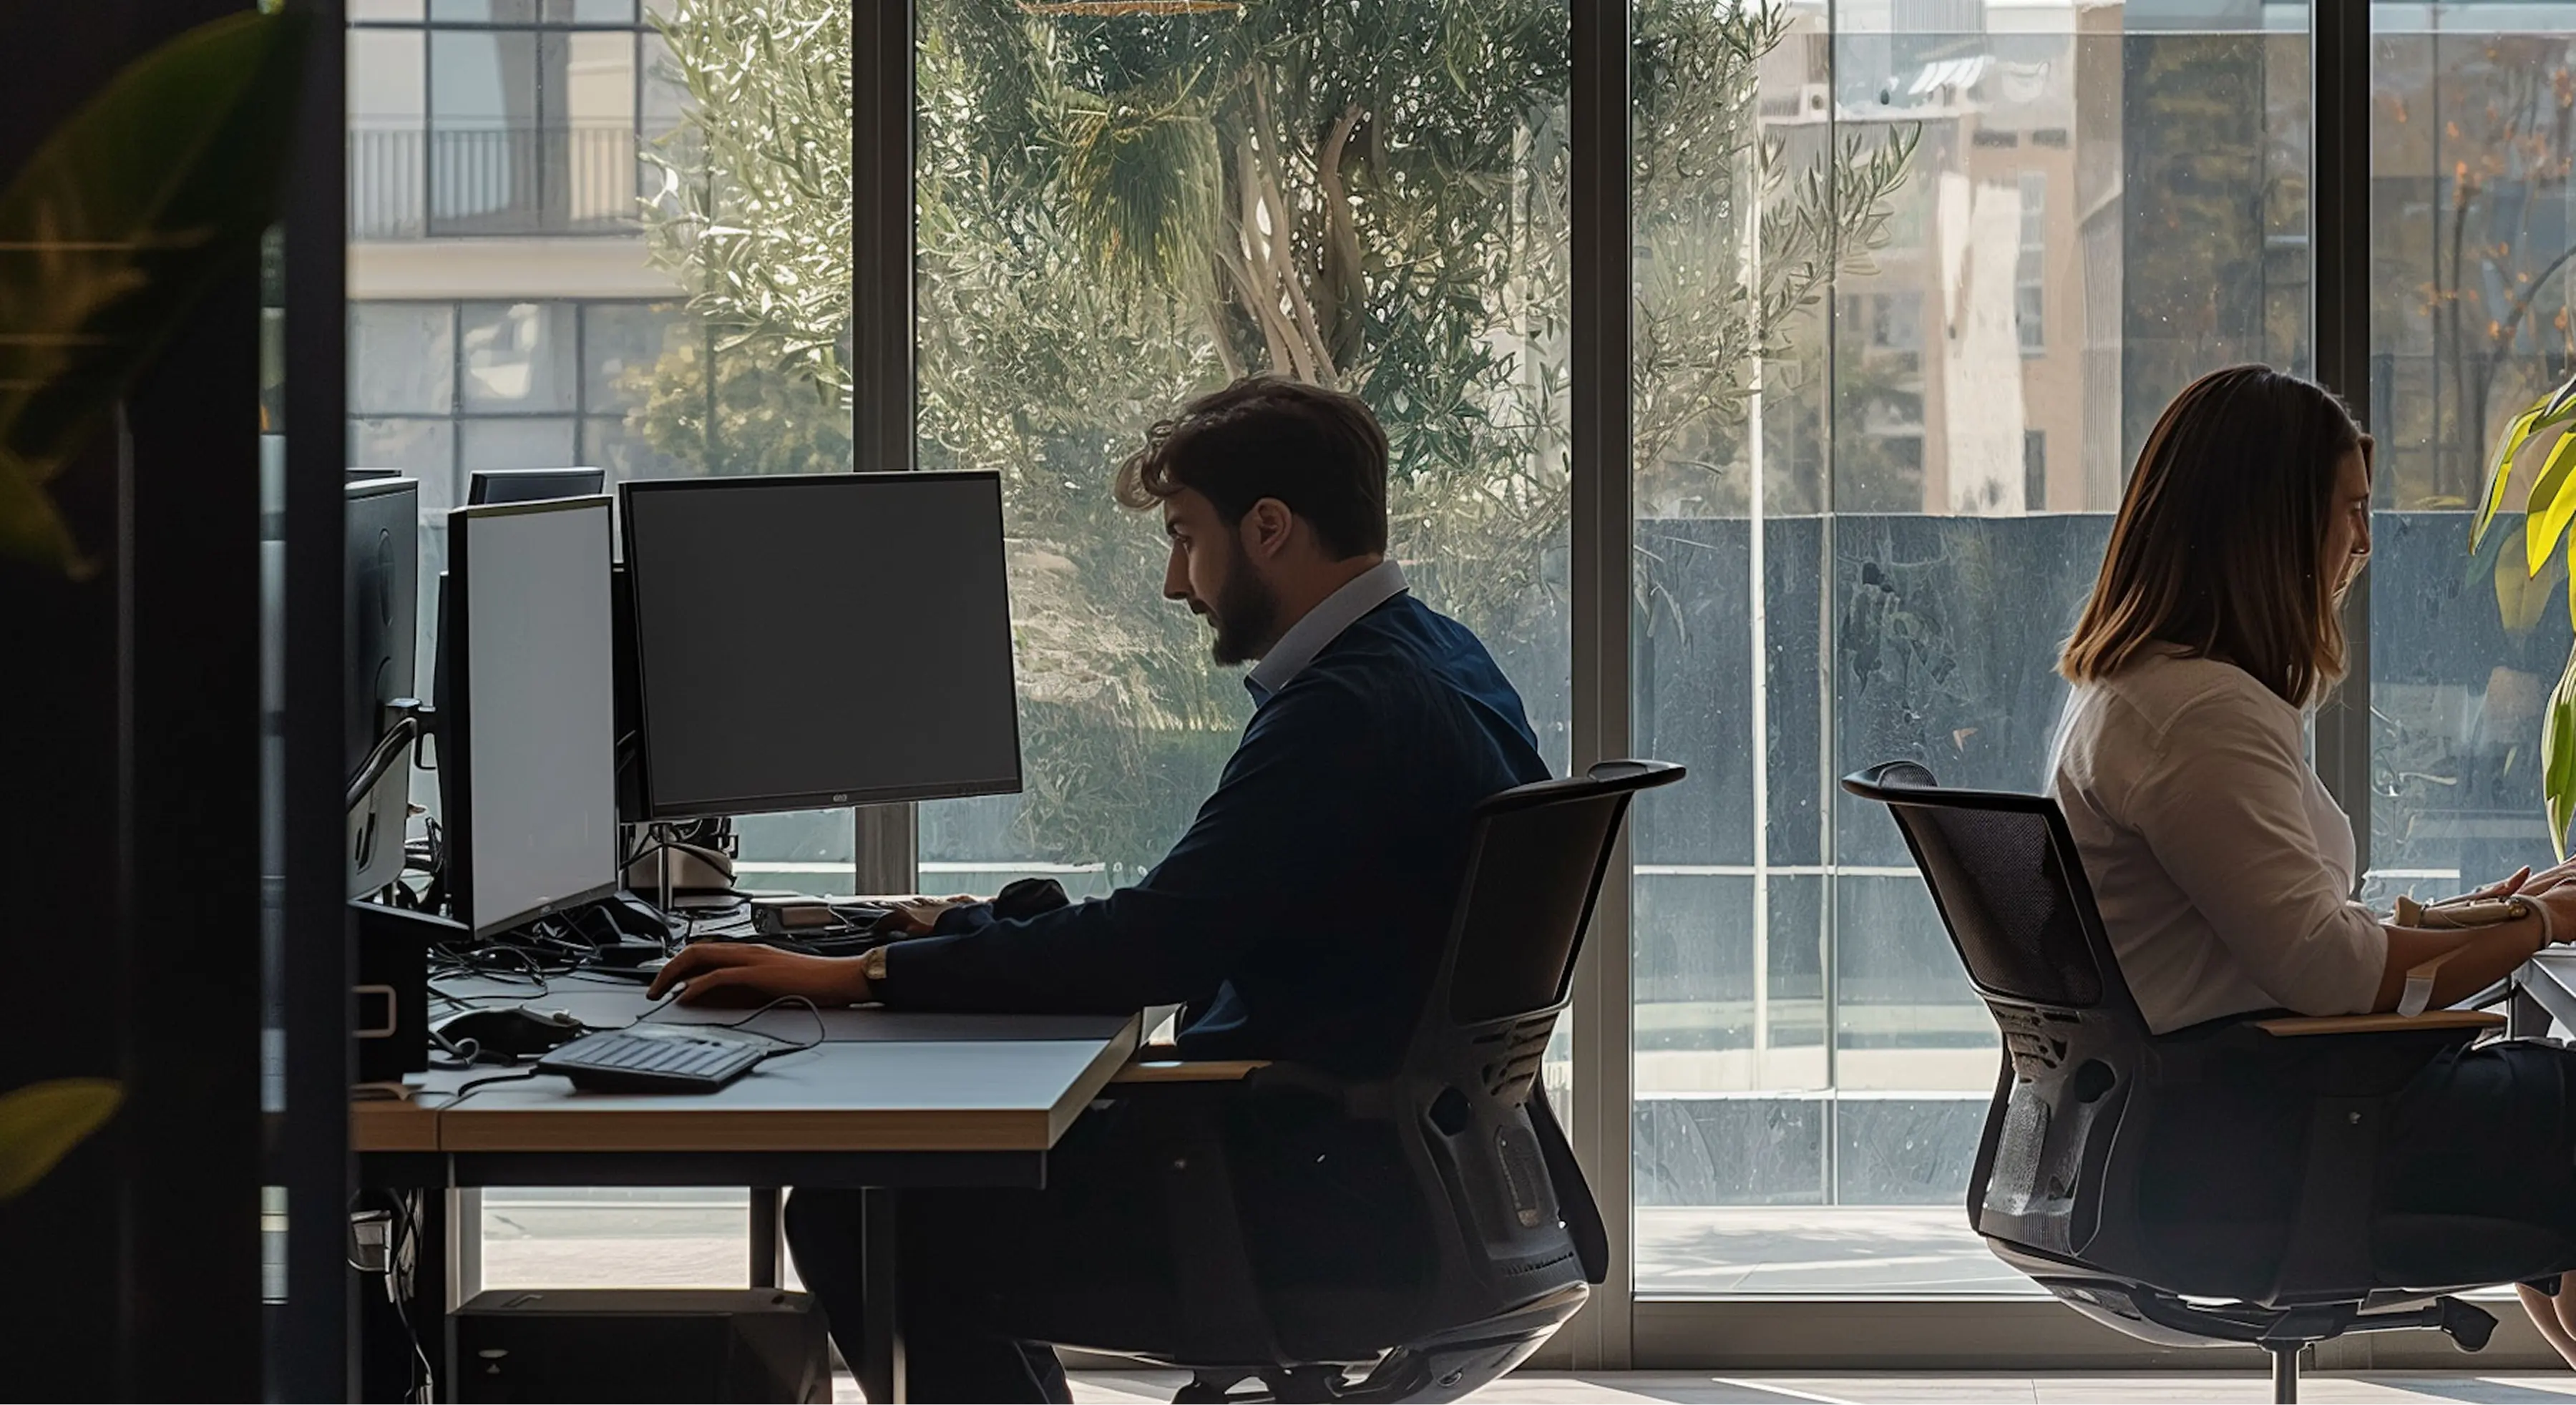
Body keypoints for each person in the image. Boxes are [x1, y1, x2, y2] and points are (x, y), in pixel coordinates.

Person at [648, 376, 1551, 1401]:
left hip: (1302, 1193)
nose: (1177, 582)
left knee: (857, 1210)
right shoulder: (1442, 659)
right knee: (910, 1191)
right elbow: (1199, 916)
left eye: (1184, 536)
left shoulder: (1345, 711)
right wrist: (977, 929)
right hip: (1403, 1175)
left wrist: (858, 975)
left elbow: (1153, 953)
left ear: (1268, 529)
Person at [2051, 362, 2576, 1362]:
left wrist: (2480, 916)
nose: (2366, 544)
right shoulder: (2200, 713)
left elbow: (2281, 936)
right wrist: (2544, 928)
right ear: (2271, 525)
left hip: (2234, 1112)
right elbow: (2331, 974)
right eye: (2352, 512)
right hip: (2275, 1137)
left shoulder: (2144, 694)